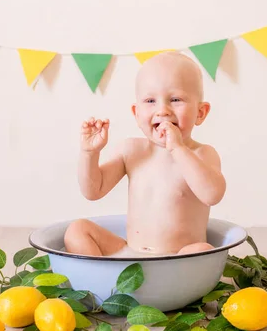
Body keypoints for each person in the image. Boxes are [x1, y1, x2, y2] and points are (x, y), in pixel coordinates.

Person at [64, 52, 226, 256]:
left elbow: (212, 195)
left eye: (175, 99)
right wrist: (90, 153)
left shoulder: (202, 154)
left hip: (178, 258)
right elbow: (93, 191)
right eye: (150, 101)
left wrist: (178, 148)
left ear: (200, 113)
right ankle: (106, 278)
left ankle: (172, 285)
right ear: (136, 113)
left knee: (202, 251)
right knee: (77, 230)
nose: (163, 110)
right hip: (130, 253)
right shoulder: (131, 151)